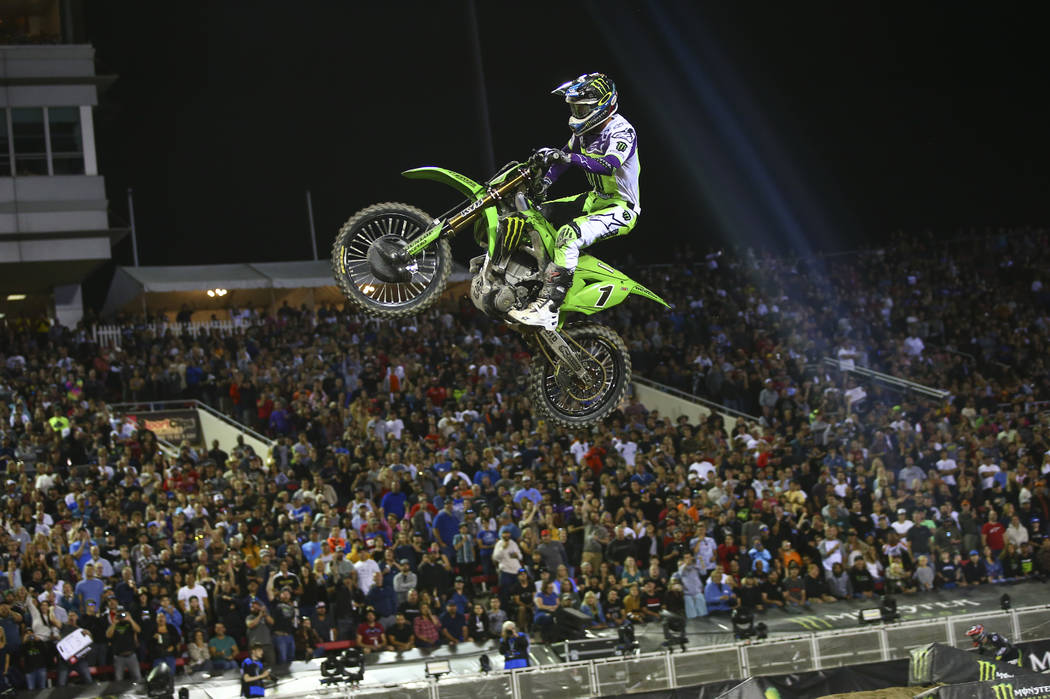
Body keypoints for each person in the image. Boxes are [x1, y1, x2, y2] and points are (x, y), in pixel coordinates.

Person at [508, 72, 640, 330]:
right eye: (574, 107)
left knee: (569, 235)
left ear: (603, 105)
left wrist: (568, 159)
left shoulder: (622, 131)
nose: (577, 113)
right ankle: (531, 279)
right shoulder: (586, 131)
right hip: (595, 199)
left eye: (582, 108)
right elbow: (565, 155)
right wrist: (545, 182)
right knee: (536, 215)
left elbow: (608, 165)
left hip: (621, 208)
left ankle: (549, 307)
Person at [106, 606, 143, 682]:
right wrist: (114, 623)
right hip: (118, 657)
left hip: (131, 655)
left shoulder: (129, 623)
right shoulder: (113, 625)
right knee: (119, 679)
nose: (121, 616)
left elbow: (138, 630)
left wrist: (130, 619)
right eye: (119, 614)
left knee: (137, 677)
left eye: (122, 614)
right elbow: (108, 635)